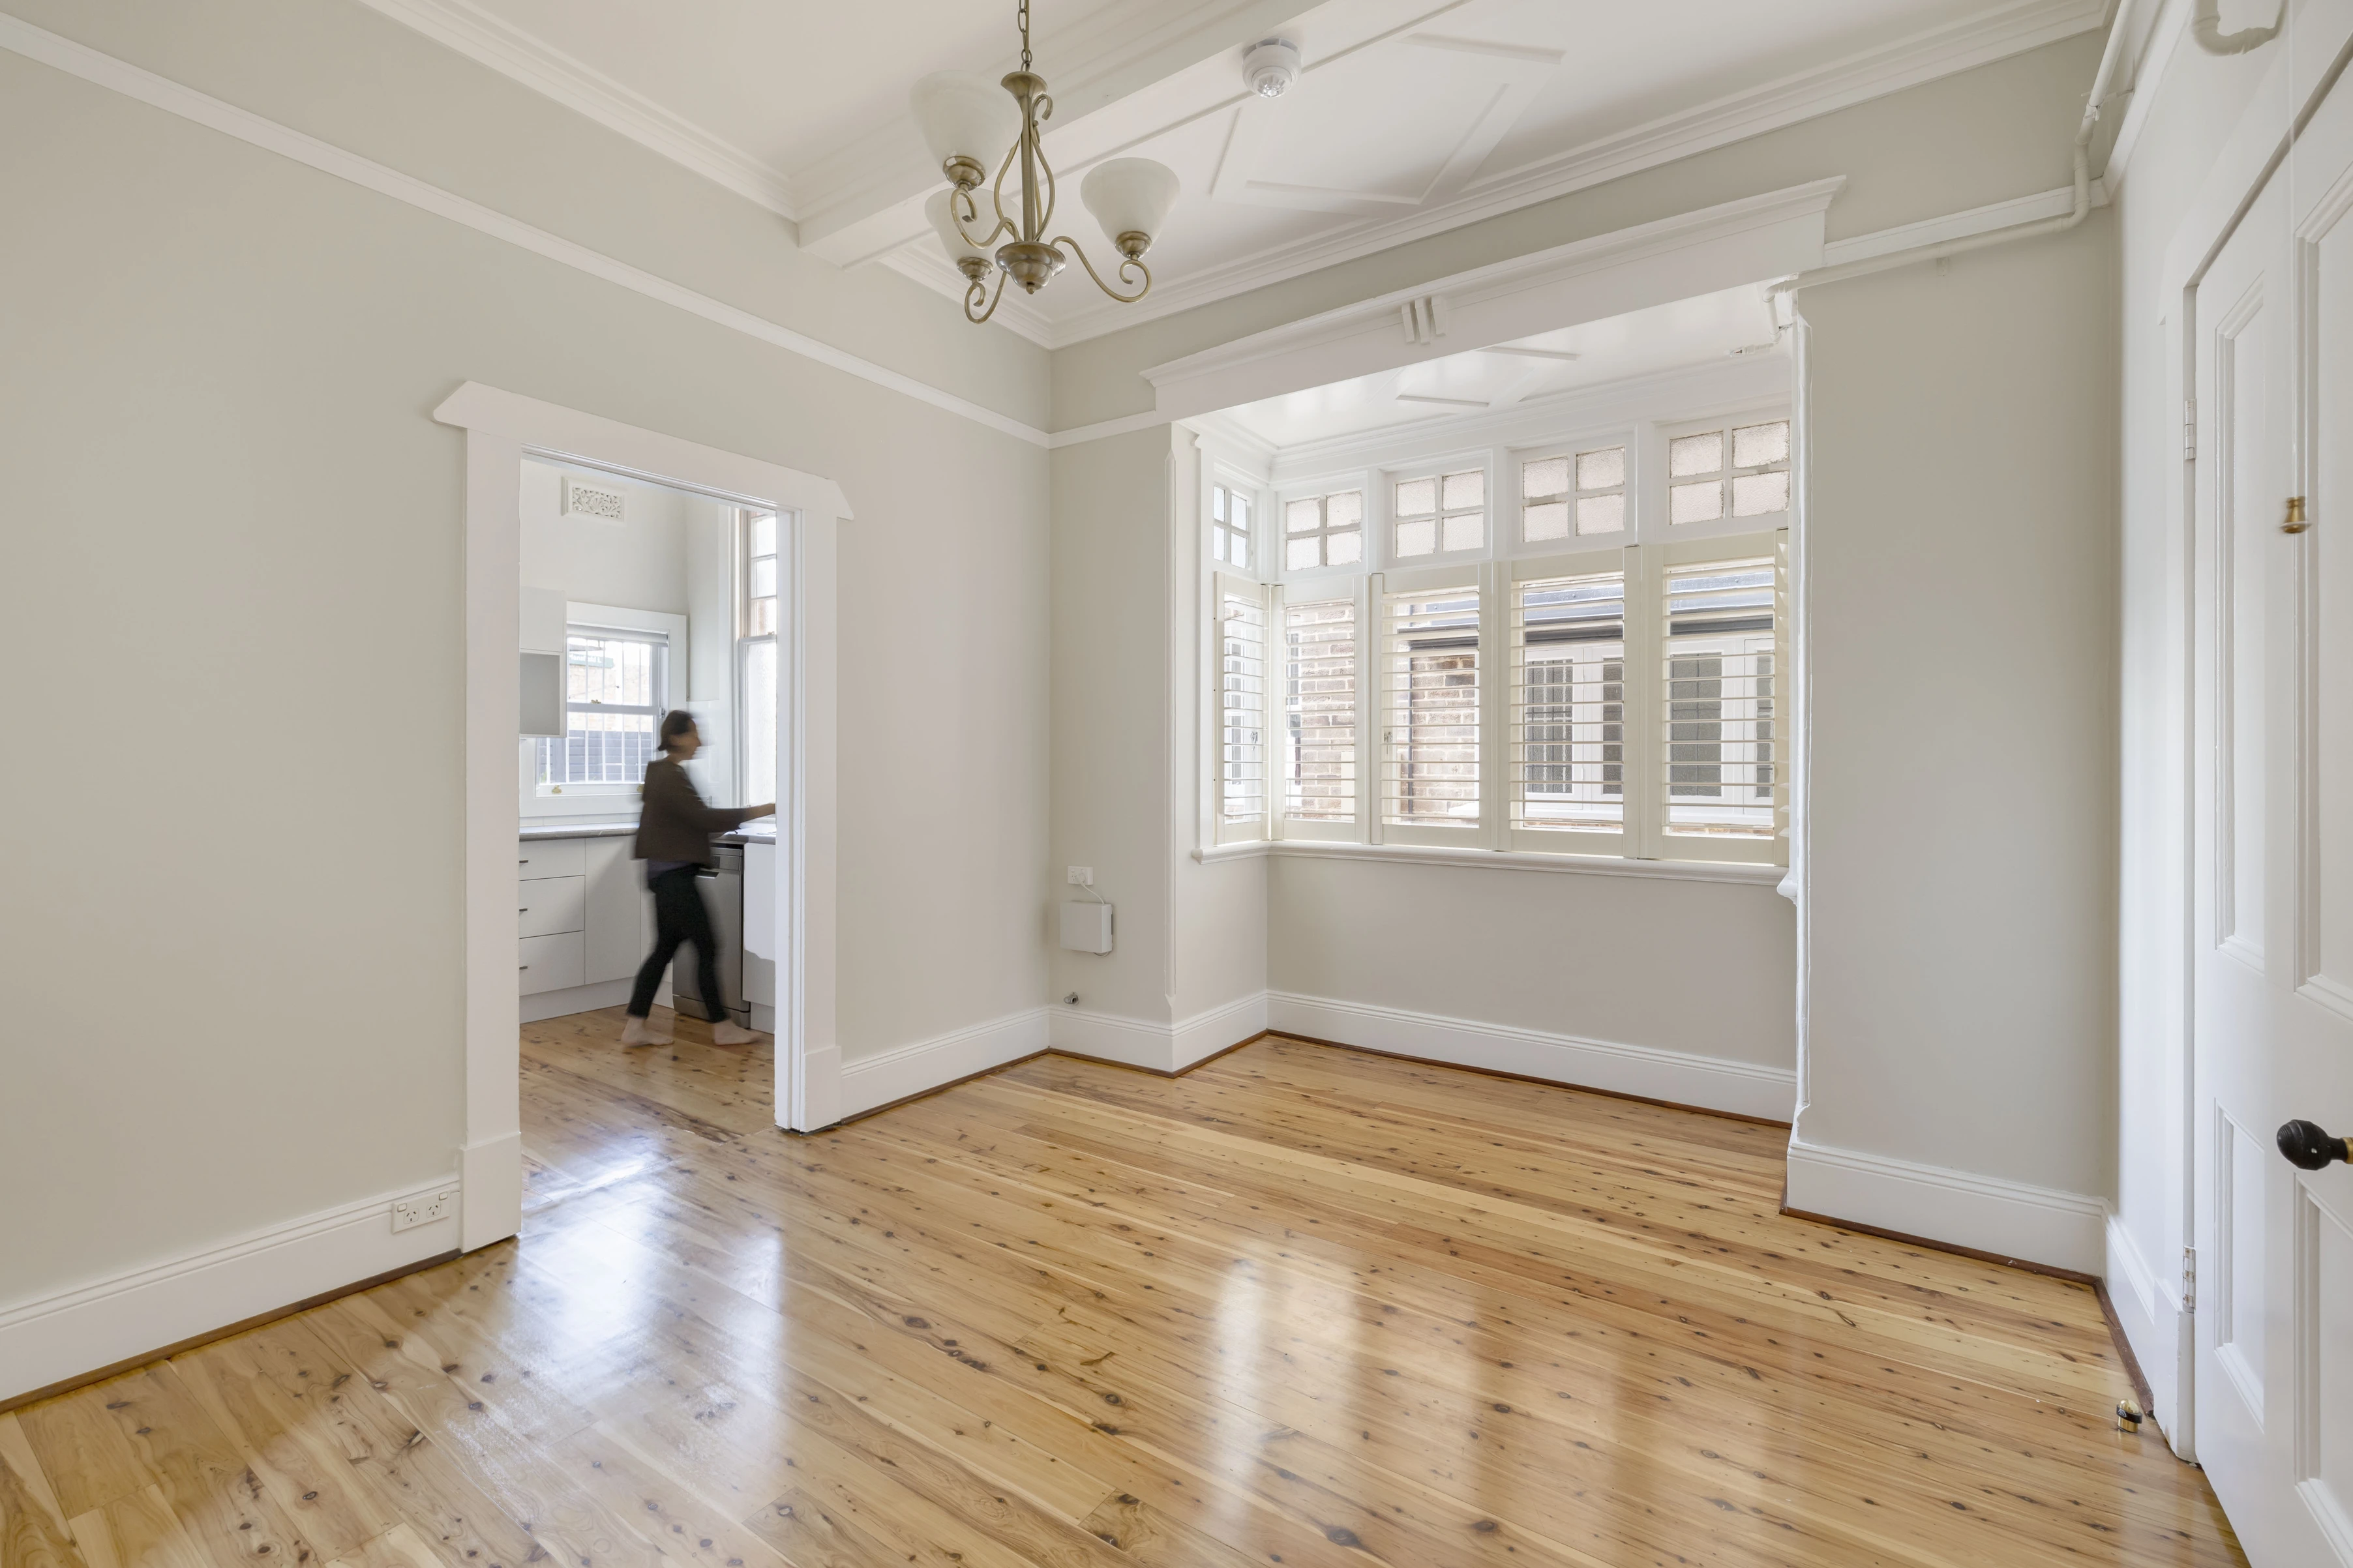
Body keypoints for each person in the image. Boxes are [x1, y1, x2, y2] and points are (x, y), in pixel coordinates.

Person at [622, 711, 773, 1047]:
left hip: (665, 876)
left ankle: (634, 1028)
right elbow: (702, 818)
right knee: (707, 945)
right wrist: (765, 809)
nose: (700, 741)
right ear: (676, 738)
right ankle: (722, 1027)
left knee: (664, 950)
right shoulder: (669, 775)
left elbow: (689, 821)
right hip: (674, 878)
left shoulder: (664, 773)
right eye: (694, 734)